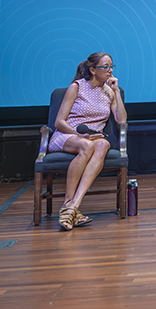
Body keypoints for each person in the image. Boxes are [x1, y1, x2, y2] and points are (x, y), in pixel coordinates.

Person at [48, 52, 127, 229]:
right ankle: (68, 203)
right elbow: (59, 122)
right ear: (92, 70)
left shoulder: (109, 92)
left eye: (111, 66)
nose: (110, 70)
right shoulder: (77, 87)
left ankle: (73, 206)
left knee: (104, 144)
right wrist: (78, 134)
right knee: (87, 144)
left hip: (92, 137)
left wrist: (116, 91)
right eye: (105, 67)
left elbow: (121, 120)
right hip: (68, 135)